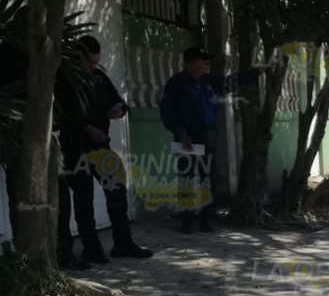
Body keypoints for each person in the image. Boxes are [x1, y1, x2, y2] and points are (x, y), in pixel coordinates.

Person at [57, 35, 153, 267]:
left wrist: (118, 110)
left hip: (100, 145)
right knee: (84, 198)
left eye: (96, 62)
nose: (93, 66)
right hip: (76, 146)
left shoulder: (99, 77)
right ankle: (92, 249)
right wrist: (87, 128)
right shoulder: (64, 78)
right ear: (78, 58)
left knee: (116, 190)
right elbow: (64, 113)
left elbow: (119, 102)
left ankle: (123, 243)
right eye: (89, 62)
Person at [159, 47, 258, 233]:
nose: (207, 65)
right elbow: (167, 112)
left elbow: (232, 82)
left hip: (208, 136)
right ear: (191, 63)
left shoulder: (211, 81)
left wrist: (256, 72)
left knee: (209, 179)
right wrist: (180, 132)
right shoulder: (176, 84)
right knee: (187, 179)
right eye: (203, 62)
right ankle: (188, 220)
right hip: (186, 139)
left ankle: (209, 218)